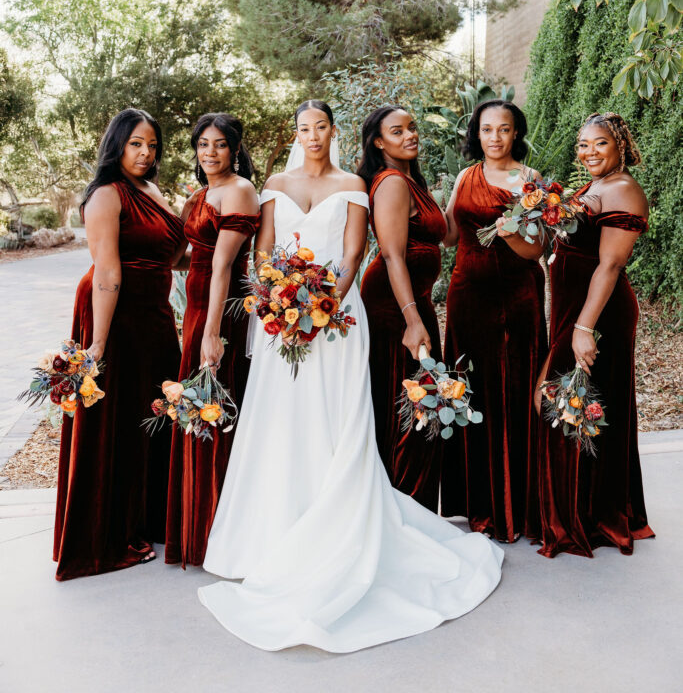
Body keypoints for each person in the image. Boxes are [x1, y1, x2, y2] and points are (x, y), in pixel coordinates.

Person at [197, 99, 503, 653]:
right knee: (279, 420)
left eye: (320, 127)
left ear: (333, 132)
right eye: (303, 128)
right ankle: (269, 537)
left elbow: (353, 254)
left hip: (334, 322)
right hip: (277, 321)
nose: (312, 136)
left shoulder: (353, 185)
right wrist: (277, 303)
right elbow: (263, 252)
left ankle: (336, 528)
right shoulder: (273, 183)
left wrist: (320, 310)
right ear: (295, 134)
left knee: (335, 420)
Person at [53, 108, 184, 580]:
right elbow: (108, 270)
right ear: (116, 145)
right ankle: (105, 537)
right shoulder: (107, 195)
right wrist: (98, 345)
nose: (146, 153)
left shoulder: (153, 191)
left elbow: (172, 253)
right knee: (118, 423)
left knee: (154, 416)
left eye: (152, 144)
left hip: (154, 318)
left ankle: (147, 519)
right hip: (116, 314)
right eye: (135, 144)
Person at [536, 111, 655, 558]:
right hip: (576, 308)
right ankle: (577, 510)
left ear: (619, 144)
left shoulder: (622, 188)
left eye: (599, 144)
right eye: (582, 144)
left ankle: (591, 516)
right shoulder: (593, 187)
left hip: (598, 315)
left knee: (583, 403)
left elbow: (609, 265)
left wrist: (584, 328)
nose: (588, 152)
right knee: (571, 403)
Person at [441, 99, 547, 543]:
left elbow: (537, 250)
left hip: (515, 297)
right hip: (467, 296)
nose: (495, 138)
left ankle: (516, 504)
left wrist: (512, 235)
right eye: (487, 130)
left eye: (504, 129)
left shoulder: (531, 181)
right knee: (473, 388)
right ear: (476, 134)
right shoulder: (465, 177)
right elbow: (448, 235)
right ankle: (479, 502)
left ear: (515, 133)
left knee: (513, 388)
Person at [165, 113, 260, 567]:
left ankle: (218, 528)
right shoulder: (200, 195)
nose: (210, 153)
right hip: (199, 309)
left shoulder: (239, 190)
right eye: (202, 144)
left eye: (219, 145)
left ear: (235, 149)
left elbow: (222, 265)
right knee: (196, 406)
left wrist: (212, 332)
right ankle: (194, 525)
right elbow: (190, 259)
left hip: (223, 312)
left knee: (218, 404)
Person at [358, 106, 446, 511]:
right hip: (394, 309)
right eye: (398, 131)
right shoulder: (392, 182)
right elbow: (392, 255)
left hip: (415, 302)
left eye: (412, 128)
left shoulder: (412, 180)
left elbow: (444, 237)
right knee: (411, 407)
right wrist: (412, 320)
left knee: (425, 403)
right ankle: (403, 510)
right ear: (379, 142)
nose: (410, 135)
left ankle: (414, 509)